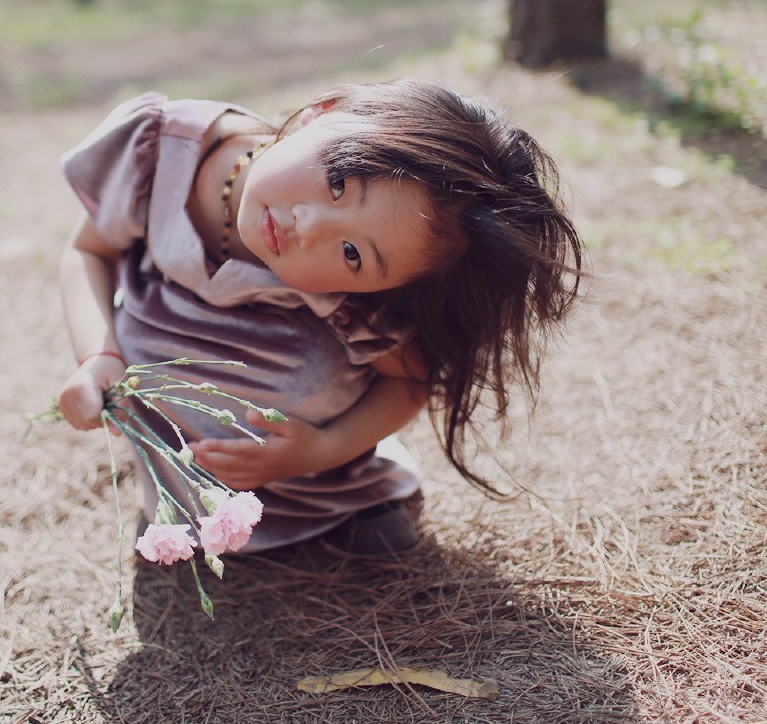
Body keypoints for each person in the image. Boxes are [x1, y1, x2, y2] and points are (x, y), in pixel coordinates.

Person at [57, 78, 582, 557]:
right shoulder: (164, 150)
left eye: (352, 253)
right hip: (178, 435)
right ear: (320, 112)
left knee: (311, 368)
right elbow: (87, 252)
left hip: (305, 466)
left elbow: (409, 381)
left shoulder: (352, 302)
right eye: (338, 180)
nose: (308, 225)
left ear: (385, 286)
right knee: (145, 339)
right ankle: (185, 505)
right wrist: (97, 358)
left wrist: (320, 451)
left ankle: (352, 506)